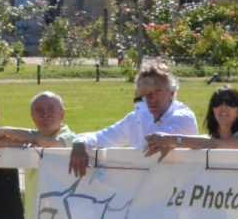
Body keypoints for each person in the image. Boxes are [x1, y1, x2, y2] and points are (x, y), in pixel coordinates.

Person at [69, 58, 198, 176]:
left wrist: (138, 101)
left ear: (172, 93)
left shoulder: (184, 117)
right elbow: (101, 137)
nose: (151, 98)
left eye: (157, 91)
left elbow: (149, 146)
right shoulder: (138, 117)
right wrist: (80, 143)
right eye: (146, 93)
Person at [145, 86, 238, 159]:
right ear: (212, 110)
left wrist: (172, 140)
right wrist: (170, 145)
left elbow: (216, 145)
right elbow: (204, 142)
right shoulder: (205, 140)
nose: (223, 107)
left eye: (230, 102)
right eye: (217, 102)